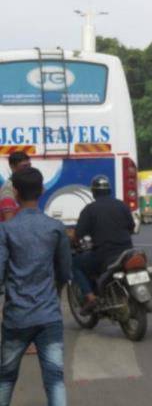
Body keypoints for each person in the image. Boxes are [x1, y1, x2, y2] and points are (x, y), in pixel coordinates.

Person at [0, 167, 71, 406]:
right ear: (42, 190)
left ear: (16, 193)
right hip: (49, 316)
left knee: (6, 377)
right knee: (55, 380)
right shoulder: (54, 228)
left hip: (16, 317)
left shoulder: (6, 230)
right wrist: (53, 292)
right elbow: (64, 271)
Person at [72, 175, 134, 314]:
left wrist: (73, 242)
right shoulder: (122, 205)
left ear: (93, 192)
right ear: (109, 191)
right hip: (127, 252)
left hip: (104, 255)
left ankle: (91, 297)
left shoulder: (90, 210)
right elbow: (131, 227)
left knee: (75, 264)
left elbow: (78, 235)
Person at [0, 152, 31, 222]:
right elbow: (9, 222)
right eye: (25, 166)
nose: (29, 169)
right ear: (12, 167)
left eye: (29, 166)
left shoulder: (24, 184)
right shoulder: (8, 188)